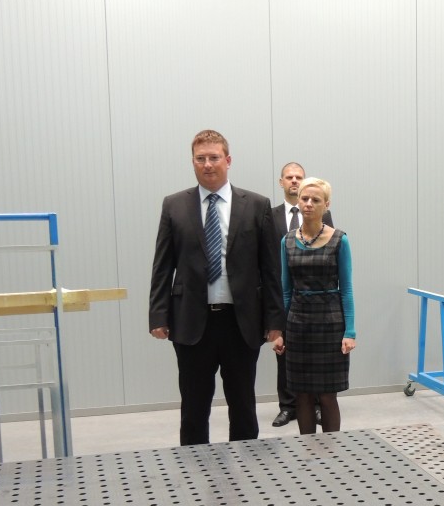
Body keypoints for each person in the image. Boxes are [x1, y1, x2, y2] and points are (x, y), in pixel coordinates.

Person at [149, 129, 284, 446]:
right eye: (201, 158)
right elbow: (163, 265)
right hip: (191, 323)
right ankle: (195, 470)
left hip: (241, 324)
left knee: (243, 405)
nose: (207, 164)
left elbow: (270, 269)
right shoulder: (174, 205)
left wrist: (275, 321)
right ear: (193, 162)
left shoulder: (256, 205)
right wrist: (158, 315)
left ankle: (247, 468)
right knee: (193, 409)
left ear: (228, 160)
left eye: (214, 157)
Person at [275, 178, 355, 435]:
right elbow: (285, 291)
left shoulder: (339, 240)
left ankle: (332, 453)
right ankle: (306, 452)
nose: (308, 204)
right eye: (304, 199)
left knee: (328, 394)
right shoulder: (287, 241)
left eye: (315, 200)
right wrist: (280, 331)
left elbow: (347, 289)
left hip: (330, 324)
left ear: (326, 205)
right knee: (302, 394)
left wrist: (350, 331)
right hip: (298, 325)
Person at [271, 162, 335, 428]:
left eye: (299, 177)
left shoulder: (326, 220)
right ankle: (287, 407)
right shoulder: (271, 216)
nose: (294, 181)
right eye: (289, 177)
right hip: (285, 294)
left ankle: (317, 407)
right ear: (282, 182)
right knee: (285, 358)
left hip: (321, 306)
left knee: (320, 368)